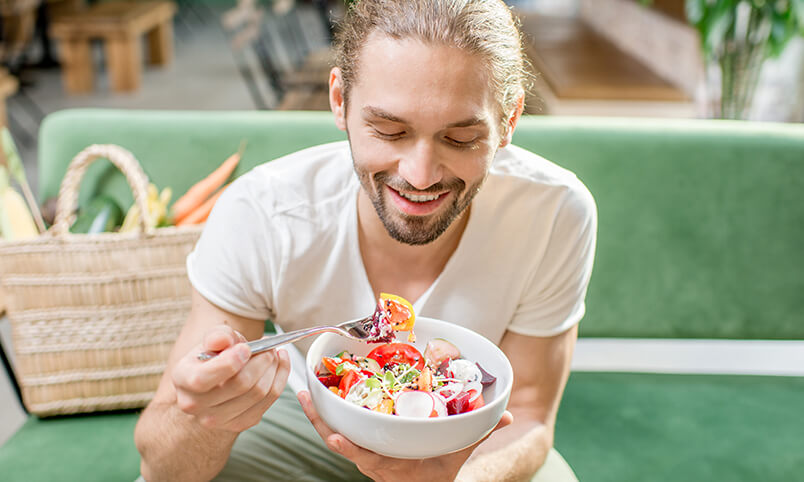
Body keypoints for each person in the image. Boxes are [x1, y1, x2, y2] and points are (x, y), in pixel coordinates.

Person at [134, 0, 596, 480]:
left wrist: (454, 480)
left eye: (459, 138)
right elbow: (160, 464)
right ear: (340, 101)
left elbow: (528, 414)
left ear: (511, 119)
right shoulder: (263, 215)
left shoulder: (554, 213)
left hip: (466, 443)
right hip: (308, 421)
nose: (419, 176)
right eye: (389, 131)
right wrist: (205, 417)